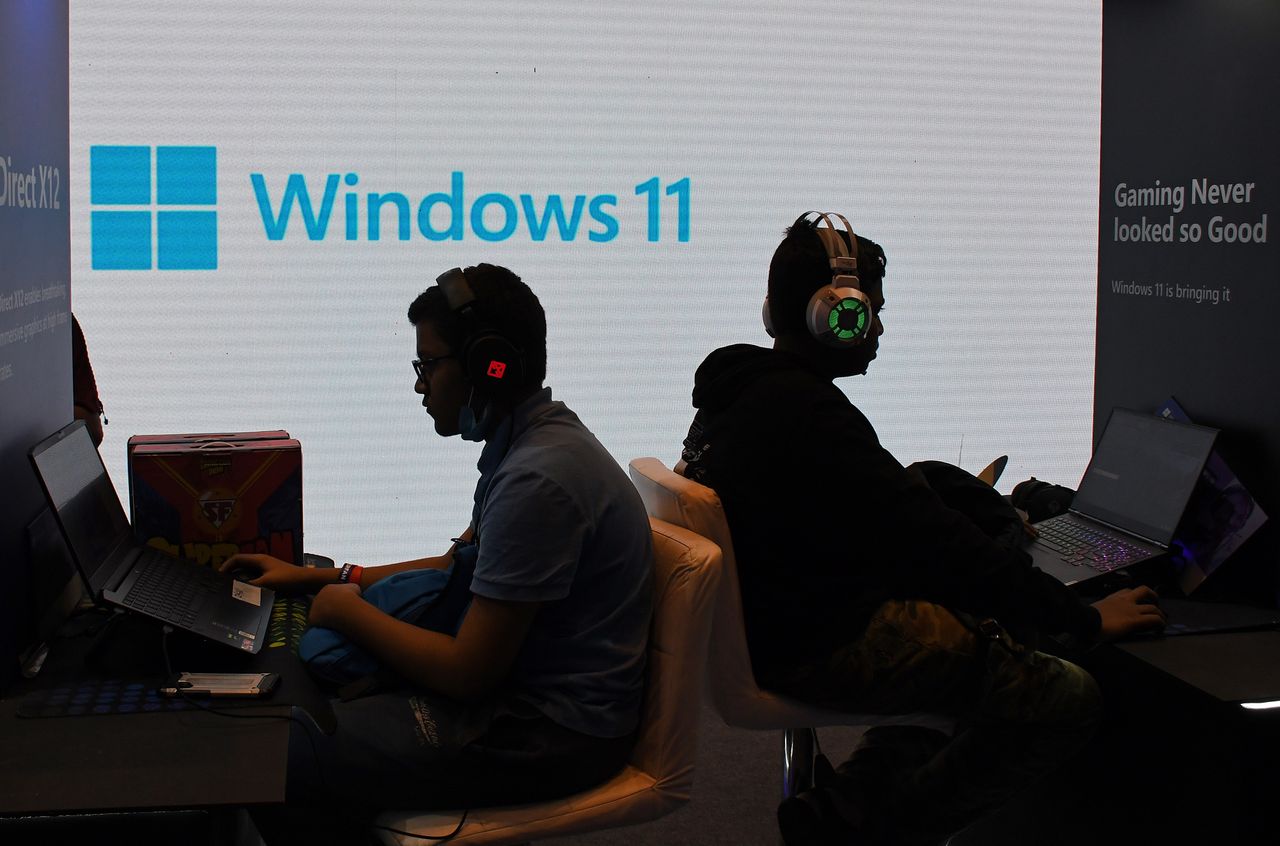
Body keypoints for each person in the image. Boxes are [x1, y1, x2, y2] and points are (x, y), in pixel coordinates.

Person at [679, 212, 1166, 846]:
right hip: (820, 644)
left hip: (781, 627)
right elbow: (939, 543)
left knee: (958, 640)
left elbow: (893, 514)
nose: (877, 327)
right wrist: (1089, 619)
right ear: (834, 316)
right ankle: (872, 832)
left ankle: (844, 808)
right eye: (869, 311)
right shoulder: (810, 414)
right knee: (1067, 697)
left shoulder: (742, 392)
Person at [221, 264, 653, 834]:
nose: (421, 384)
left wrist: (350, 610)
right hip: (522, 694)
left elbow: (468, 672)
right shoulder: (531, 441)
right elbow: (460, 569)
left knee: (273, 751)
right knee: (301, 703)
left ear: (485, 367)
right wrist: (326, 578)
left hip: (547, 731)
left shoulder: (538, 482)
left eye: (429, 365)